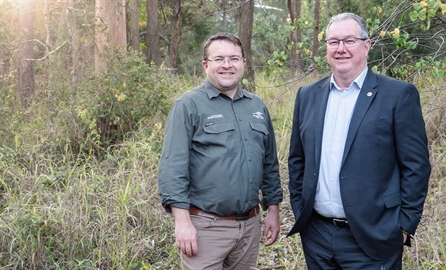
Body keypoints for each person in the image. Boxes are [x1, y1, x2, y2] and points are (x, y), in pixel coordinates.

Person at [287, 13, 431, 269]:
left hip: (373, 237)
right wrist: (300, 211)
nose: (341, 48)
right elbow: (298, 160)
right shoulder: (308, 95)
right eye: (333, 42)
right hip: (317, 236)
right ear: (326, 48)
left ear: (367, 45)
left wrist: (405, 225)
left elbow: (416, 166)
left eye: (349, 40)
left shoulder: (398, 95)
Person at [158, 33, 283, 270]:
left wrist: (273, 211)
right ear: (206, 65)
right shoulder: (188, 105)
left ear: (244, 63)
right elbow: (172, 168)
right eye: (219, 59)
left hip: (249, 227)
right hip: (206, 227)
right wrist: (182, 223)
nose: (227, 65)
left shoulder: (257, 106)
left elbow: (269, 163)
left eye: (234, 58)